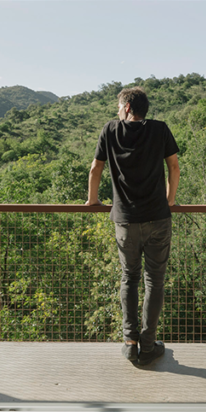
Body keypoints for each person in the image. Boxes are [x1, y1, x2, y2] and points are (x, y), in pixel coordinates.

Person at [86, 87, 180, 366]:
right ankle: (148, 345)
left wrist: (93, 200)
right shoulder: (160, 129)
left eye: (118, 106)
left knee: (130, 278)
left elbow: (95, 169)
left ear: (127, 107)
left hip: (125, 220)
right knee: (155, 281)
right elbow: (174, 167)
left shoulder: (110, 130)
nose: (116, 111)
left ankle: (130, 343)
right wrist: (169, 200)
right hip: (158, 219)